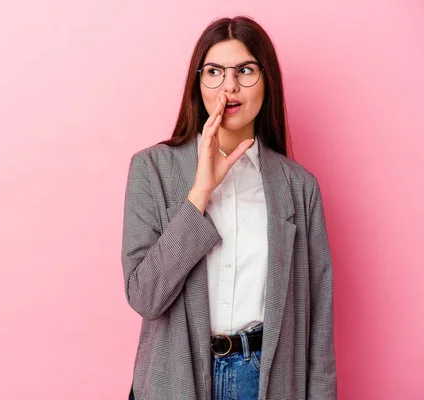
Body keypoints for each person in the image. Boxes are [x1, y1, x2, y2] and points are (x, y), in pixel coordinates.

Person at [121, 16, 337, 400]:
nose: (230, 86)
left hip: (265, 379)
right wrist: (201, 191)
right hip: (177, 380)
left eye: (245, 70)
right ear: (198, 82)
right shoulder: (152, 169)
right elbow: (144, 297)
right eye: (215, 71)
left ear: (267, 80)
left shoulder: (299, 187)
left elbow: (319, 326)